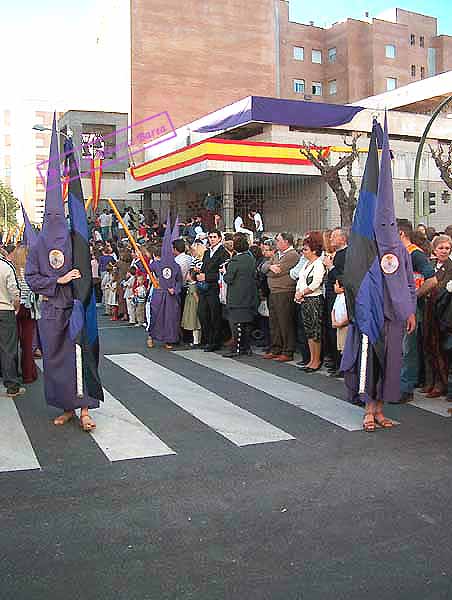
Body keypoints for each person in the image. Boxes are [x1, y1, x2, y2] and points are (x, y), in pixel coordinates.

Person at [397, 219, 437, 402]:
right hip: (398, 305)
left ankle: (406, 387)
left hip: (410, 307)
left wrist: (414, 296)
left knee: (408, 348)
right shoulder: (399, 252)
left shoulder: (415, 254)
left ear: (400, 234)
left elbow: (432, 279)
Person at [422, 234, 452, 397]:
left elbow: (441, 288)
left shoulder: (450, 267)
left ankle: (441, 384)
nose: (444, 251)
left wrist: (428, 289)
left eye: (447, 248)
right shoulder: (429, 264)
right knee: (428, 346)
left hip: (442, 312)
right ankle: (430, 381)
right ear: (434, 250)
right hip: (427, 310)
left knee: (441, 348)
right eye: (441, 248)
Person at [263, 232, 299, 362]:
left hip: (285, 292)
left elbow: (278, 272)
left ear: (286, 242)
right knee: (274, 322)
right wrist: (269, 267)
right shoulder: (278, 254)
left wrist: (269, 270)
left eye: (278, 240)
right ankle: (276, 347)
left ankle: (288, 350)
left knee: (285, 322)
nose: (276, 243)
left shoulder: (292, 255)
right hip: (274, 292)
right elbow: (263, 267)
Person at [222, 233, 258, 358]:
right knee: (247, 323)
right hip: (250, 295)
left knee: (236, 324)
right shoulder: (251, 259)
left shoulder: (235, 261)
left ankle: (236, 349)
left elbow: (229, 278)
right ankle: (246, 347)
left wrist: (225, 272)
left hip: (236, 297)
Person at [294, 231, 325, 372]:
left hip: (314, 300)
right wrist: (297, 293)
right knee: (308, 331)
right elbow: (300, 280)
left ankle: (316, 360)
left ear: (314, 250)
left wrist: (302, 293)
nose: (303, 252)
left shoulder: (318, 264)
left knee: (315, 332)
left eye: (306, 249)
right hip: (305, 300)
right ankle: (311, 359)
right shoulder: (307, 264)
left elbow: (315, 283)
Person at [197, 230, 229, 352]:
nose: (212, 239)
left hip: (215, 288)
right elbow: (203, 268)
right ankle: (207, 339)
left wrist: (207, 277)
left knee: (214, 315)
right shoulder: (206, 253)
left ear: (220, 238)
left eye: (214, 237)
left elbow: (223, 273)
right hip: (204, 288)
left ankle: (215, 342)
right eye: (210, 237)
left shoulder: (223, 253)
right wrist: (199, 274)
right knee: (203, 314)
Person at [11, 245, 38, 384]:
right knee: (27, 344)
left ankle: (11, 373)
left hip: (14, 307)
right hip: (28, 308)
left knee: (11, 343)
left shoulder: (12, 270)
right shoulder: (30, 271)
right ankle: (28, 373)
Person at [0, 251, 23, 397]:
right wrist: (16, 305)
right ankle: (11, 384)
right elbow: (14, 290)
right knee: (8, 348)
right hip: (5, 309)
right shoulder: (6, 266)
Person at [331, 277, 349, 378]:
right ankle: (341, 367)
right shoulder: (338, 296)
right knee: (340, 347)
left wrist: (341, 323)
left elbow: (348, 313)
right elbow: (333, 310)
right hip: (338, 324)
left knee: (345, 348)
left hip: (344, 325)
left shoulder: (346, 298)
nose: (334, 286)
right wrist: (334, 321)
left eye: (336, 284)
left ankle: (344, 369)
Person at [181, 268, 202, 347]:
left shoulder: (193, 286)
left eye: (187, 274)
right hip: (191, 305)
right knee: (195, 323)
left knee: (194, 323)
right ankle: (196, 340)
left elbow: (196, 296)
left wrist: (198, 305)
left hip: (192, 306)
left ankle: (196, 341)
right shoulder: (192, 285)